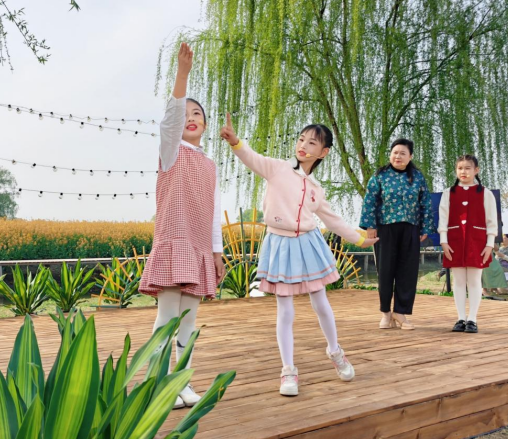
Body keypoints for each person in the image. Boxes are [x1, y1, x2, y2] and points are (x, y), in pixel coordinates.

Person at [220, 115, 378, 397]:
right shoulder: (278, 169)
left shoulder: (316, 189)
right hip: (279, 244)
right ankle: (288, 370)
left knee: (321, 302)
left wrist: (360, 239)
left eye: (312, 143)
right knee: (285, 309)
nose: (303, 145)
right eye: (301, 139)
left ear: (323, 152)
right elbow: (252, 158)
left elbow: (333, 221)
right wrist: (236, 142)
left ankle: (335, 351)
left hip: (308, 243)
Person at [138, 43, 225, 409]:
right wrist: (183, 75)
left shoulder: (210, 164)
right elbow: (170, 121)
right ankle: (157, 384)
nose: (191, 118)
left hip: (199, 248)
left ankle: (182, 382)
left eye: (197, 114)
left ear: (205, 124)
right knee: (167, 317)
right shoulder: (171, 150)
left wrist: (217, 252)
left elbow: (214, 211)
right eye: (187, 113)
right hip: (175, 241)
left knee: (188, 320)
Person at [359, 138, 434, 330]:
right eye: (395, 152)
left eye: (402, 153)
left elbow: (425, 202)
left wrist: (425, 228)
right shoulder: (380, 176)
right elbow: (370, 201)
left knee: (407, 272)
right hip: (385, 228)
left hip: (411, 228)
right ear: (390, 154)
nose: (398, 156)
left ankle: (400, 312)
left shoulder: (417, 177)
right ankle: (386, 313)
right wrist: (370, 226)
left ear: (410, 157)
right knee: (385, 271)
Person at [438, 154, 498, 334]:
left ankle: (472, 318)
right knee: (458, 280)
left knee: (474, 280)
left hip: (476, 241)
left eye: (467, 168)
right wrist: (443, 240)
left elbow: (491, 220)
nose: (463, 172)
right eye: (460, 168)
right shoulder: (448, 193)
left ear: (476, 170)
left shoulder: (485, 193)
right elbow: (443, 218)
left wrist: (489, 244)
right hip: (454, 241)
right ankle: (460, 318)